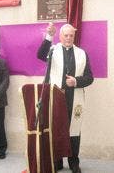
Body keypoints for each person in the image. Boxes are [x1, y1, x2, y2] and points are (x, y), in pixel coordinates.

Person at [37, 23, 94, 173]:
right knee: (56, 130)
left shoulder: (82, 53)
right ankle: (57, 161)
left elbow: (89, 78)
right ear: (60, 36)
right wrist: (49, 35)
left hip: (74, 98)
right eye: (65, 35)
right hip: (56, 97)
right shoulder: (52, 50)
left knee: (74, 132)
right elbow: (39, 55)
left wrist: (76, 81)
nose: (68, 38)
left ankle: (74, 162)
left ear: (74, 36)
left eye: (71, 35)